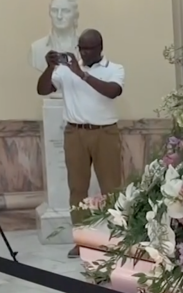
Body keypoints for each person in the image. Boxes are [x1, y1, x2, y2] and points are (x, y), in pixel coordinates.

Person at [36, 29, 125, 259]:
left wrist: (82, 74)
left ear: (100, 48)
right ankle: (83, 241)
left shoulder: (114, 69)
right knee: (77, 189)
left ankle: (115, 238)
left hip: (105, 133)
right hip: (75, 133)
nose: (84, 53)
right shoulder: (65, 71)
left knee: (112, 189)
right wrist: (49, 67)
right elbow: (42, 89)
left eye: (89, 48)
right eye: (81, 48)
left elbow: (113, 92)